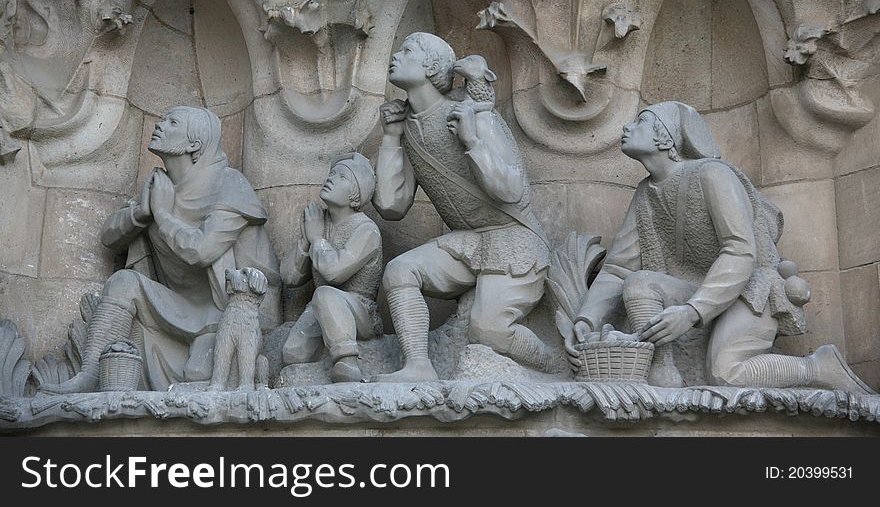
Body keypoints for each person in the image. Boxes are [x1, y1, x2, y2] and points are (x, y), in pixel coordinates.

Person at [566, 101, 874, 393]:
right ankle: (663, 371)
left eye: (641, 121)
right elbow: (620, 268)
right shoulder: (645, 194)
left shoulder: (712, 174)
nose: (627, 127)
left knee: (725, 373)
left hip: (749, 291)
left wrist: (692, 311)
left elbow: (740, 251)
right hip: (695, 292)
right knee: (639, 283)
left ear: (666, 139)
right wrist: (586, 320)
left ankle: (817, 367)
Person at [40, 106, 280, 393]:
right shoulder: (160, 184)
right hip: (179, 308)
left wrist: (162, 216)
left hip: (230, 314)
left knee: (199, 372)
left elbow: (202, 251)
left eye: (172, 122)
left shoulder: (229, 183)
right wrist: (140, 213)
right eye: (163, 119)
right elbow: (108, 236)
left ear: (195, 144)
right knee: (122, 283)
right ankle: (90, 373)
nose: (159, 125)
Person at [372, 32, 555, 382]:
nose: (396, 55)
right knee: (399, 272)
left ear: (431, 65)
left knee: (488, 330)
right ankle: (418, 367)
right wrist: (391, 139)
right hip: (468, 243)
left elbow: (512, 189)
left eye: (407, 49)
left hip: (513, 241)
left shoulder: (474, 114)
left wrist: (472, 141)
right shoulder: (408, 128)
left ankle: (552, 362)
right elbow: (391, 205)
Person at [280, 153, 383, 383]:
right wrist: (306, 242)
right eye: (332, 173)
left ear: (356, 195)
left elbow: (333, 273)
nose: (331, 178)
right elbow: (289, 277)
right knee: (292, 352)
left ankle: (347, 360)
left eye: (342, 176)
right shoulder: (320, 223)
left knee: (325, 293)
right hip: (322, 306)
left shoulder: (366, 230)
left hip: (360, 310)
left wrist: (316, 239)